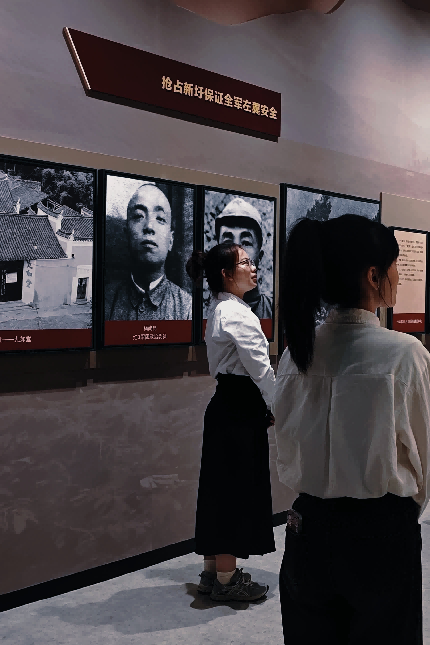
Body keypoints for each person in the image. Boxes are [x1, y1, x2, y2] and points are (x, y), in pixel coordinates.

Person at [274, 214, 430, 644]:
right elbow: (423, 464)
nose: (398, 277)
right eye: (394, 266)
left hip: (307, 529)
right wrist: (396, 520)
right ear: (373, 276)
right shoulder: (405, 355)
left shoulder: (296, 355)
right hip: (381, 532)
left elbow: (286, 445)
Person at [186, 242, 276, 602]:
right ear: (226, 274)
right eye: (245, 263)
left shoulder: (223, 308)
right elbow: (261, 370)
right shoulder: (236, 313)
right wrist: (279, 406)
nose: (253, 268)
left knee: (218, 490)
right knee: (233, 493)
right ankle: (227, 580)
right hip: (239, 409)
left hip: (228, 406)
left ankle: (212, 574)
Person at [106, 183, 192, 321]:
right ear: (126, 234)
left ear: (171, 240)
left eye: (160, 218)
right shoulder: (105, 301)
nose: (149, 227)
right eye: (139, 216)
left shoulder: (188, 308)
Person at [214, 197, 272, 320]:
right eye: (228, 242)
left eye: (246, 242)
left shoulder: (276, 314)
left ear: (260, 257)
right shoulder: (196, 314)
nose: (237, 252)